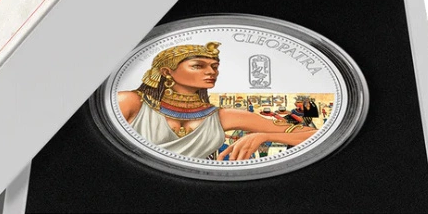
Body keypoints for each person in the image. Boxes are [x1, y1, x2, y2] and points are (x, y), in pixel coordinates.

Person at [117, 41, 315, 161]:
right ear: (167, 71)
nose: (211, 72)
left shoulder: (222, 116)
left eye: (214, 66)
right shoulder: (131, 102)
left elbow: (314, 135)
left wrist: (262, 136)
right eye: (198, 66)